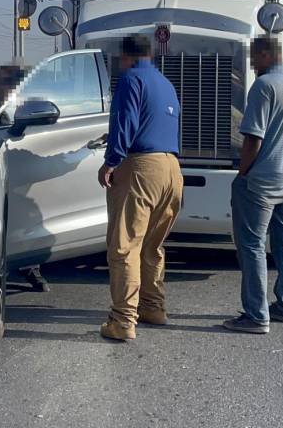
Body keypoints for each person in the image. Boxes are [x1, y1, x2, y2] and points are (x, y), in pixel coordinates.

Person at [224, 36, 283, 334]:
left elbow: (254, 137)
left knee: (252, 245)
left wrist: (242, 172)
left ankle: (256, 315)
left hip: (262, 182)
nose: (253, 65)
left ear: (267, 54)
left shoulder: (264, 86)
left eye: (255, 58)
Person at [97, 34, 183, 341]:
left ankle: (122, 321)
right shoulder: (165, 84)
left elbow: (126, 120)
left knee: (124, 246)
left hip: (141, 168)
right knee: (152, 245)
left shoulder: (131, 79)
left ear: (127, 56)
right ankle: (153, 306)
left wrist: (112, 160)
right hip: (171, 169)